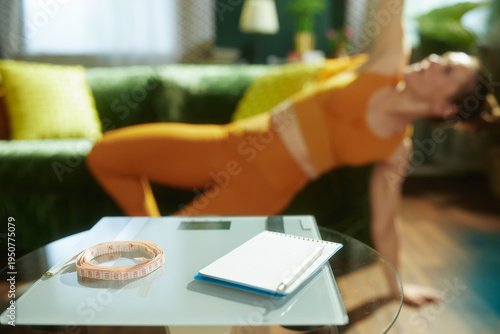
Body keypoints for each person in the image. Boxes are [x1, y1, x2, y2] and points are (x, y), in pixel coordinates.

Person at [86, 0, 497, 306]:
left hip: (262, 190)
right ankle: (155, 234)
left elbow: (386, 222)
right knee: (105, 155)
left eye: (446, 70)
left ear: (445, 108)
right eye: (442, 58)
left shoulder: (395, 148)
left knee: (170, 268)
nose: (432, 62)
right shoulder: (385, 65)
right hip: (224, 144)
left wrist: (399, 287)